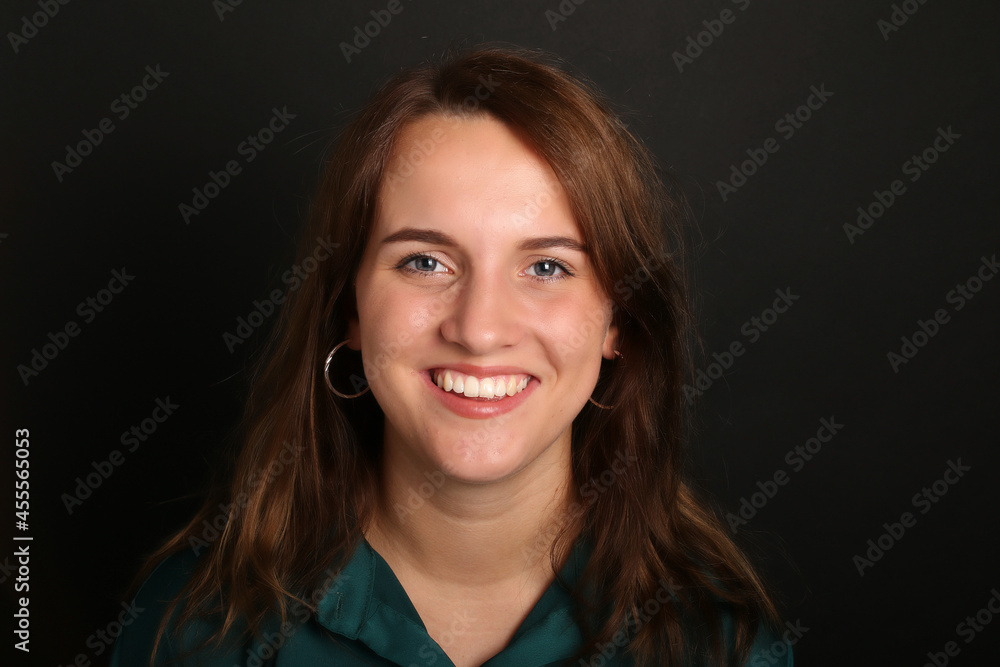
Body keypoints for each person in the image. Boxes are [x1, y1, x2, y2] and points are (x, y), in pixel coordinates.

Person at [112, 45, 792, 667]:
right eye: (426, 261)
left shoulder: (721, 647)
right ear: (349, 308)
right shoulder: (195, 629)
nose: (479, 329)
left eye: (547, 267)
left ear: (620, 322)